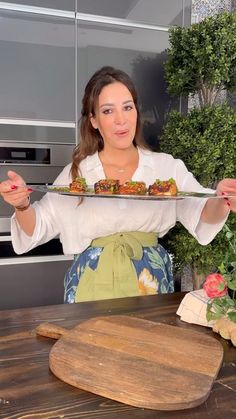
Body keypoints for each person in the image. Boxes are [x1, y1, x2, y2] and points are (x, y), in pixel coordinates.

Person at [0, 66, 236, 303]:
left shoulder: (166, 168)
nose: (121, 120)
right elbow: (38, 227)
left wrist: (223, 198)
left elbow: (202, 211)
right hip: (91, 280)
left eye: (127, 107)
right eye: (108, 111)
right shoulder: (78, 173)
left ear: (136, 111)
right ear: (93, 120)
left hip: (150, 280)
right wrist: (21, 206)